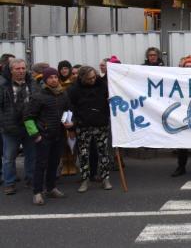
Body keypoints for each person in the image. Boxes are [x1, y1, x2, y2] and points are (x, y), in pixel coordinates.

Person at [24, 67, 70, 205]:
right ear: (45, 79)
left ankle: (51, 188)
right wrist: (36, 135)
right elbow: (28, 117)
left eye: (56, 77)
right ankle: (37, 192)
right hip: (43, 136)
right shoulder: (38, 96)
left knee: (54, 163)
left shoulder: (63, 95)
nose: (54, 79)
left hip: (59, 135)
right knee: (41, 165)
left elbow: (67, 111)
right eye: (50, 77)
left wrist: (69, 122)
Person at [67, 66, 112, 192]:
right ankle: (85, 179)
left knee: (103, 152)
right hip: (83, 125)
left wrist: (110, 101)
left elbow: (112, 101)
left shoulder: (103, 86)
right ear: (82, 78)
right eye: (89, 79)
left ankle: (105, 178)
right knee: (83, 154)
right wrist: (72, 127)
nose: (92, 80)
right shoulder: (74, 90)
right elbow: (70, 108)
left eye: (94, 77)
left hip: (101, 124)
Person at [1, 59, 36, 195]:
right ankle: (9, 183)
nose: (21, 71)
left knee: (31, 155)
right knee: (9, 157)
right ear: (11, 71)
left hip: (30, 125)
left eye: (23, 68)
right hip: (10, 127)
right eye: (17, 69)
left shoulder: (32, 84)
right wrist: (4, 123)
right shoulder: (3, 86)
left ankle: (31, 179)